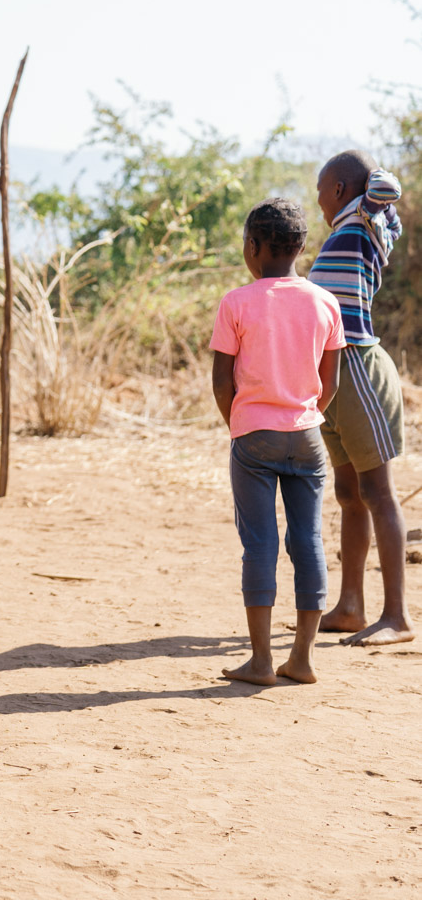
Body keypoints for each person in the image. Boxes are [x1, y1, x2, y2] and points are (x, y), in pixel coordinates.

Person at [210, 199, 345, 686]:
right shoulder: (325, 301)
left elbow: (222, 382)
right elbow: (330, 382)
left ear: (252, 247)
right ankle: (303, 658)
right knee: (308, 541)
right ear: (302, 247)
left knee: (260, 544)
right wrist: (308, 415)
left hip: (254, 437)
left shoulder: (237, 303)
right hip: (307, 437)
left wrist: (240, 422)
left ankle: (262, 661)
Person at [310, 152, 413, 646]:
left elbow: (388, 186)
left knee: (378, 493)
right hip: (332, 372)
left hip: (359, 368)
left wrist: (366, 182)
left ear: (338, 190)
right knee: (349, 494)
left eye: (321, 194)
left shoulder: (367, 218)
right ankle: (351, 606)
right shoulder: (339, 232)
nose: (319, 207)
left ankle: (396, 617)